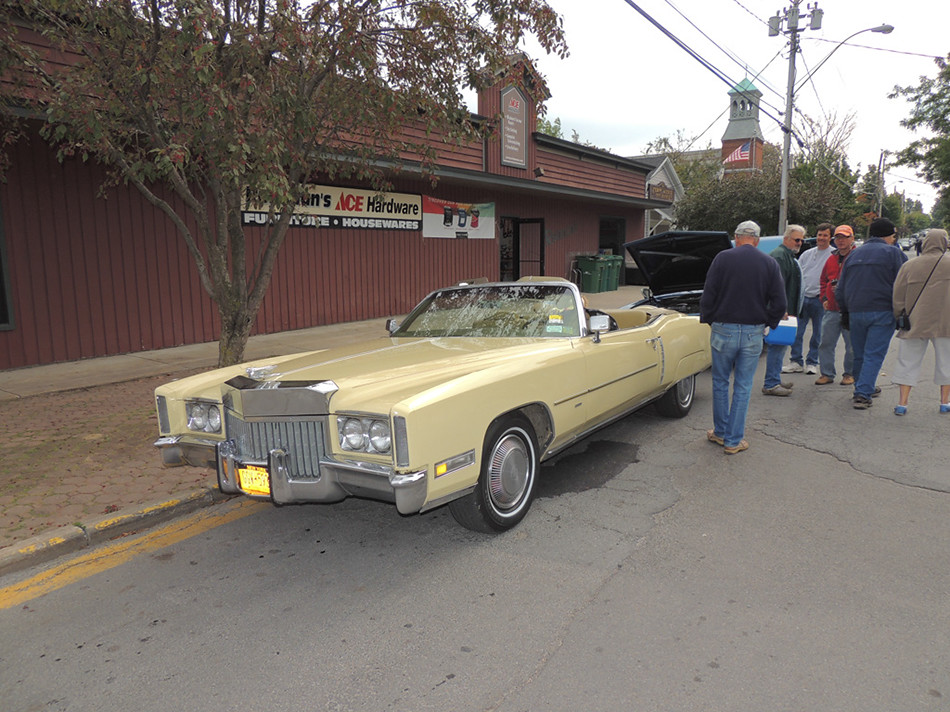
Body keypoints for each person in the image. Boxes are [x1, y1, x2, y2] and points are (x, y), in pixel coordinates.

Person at [700, 220, 786, 455]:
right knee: (743, 386)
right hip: (753, 331)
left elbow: (709, 294)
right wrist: (769, 322)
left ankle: (720, 432)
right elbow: (780, 302)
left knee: (719, 382)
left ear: (736, 238)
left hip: (723, 328)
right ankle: (733, 441)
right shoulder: (769, 263)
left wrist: (710, 319)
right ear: (757, 241)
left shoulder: (722, 258)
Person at [835, 217, 906, 409]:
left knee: (859, 352)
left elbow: (840, 288)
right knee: (874, 353)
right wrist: (903, 311)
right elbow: (903, 284)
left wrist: (844, 311)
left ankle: (863, 385)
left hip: (856, 311)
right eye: (893, 235)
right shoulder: (893, 253)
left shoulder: (853, 255)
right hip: (883, 311)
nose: (893, 239)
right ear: (888, 236)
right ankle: (863, 393)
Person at [891, 228, 950, 415]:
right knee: (947, 362)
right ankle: (944, 402)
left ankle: (902, 403)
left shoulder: (909, 266)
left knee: (907, 361)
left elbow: (898, 296)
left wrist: (899, 315)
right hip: (946, 322)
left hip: (915, 322)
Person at [784, 222, 834, 375]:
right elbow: (798, 274)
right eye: (819, 235)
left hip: (821, 300)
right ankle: (796, 361)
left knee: (818, 334)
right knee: (797, 332)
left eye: (825, 235)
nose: (822, 238)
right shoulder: (807, 254)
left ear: (830, 237)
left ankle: (812, 362)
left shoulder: (833, 255)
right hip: (803, 298)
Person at [762, 224, 804, 396]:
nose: (800, 243)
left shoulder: (786, 256)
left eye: (801, 240)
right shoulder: (780, 257)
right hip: (780, 312)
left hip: (785, 311)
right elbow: (775, 287)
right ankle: (771, 383)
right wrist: (780, 309)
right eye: (796, 239)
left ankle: (775, 379)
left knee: (780, 345)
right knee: (777, 345)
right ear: (786, 238)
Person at [815, 225, 856, 386]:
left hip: (850, 310)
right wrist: (824, 297)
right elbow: (823, 280)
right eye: (838, 238)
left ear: (852, 239)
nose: (841, 241)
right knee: (825, 342)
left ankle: (849, 374)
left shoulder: (857, 257)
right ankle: (827, 373)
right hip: (831, 309)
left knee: (852, 345)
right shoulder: (831, 259)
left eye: (845, 237)